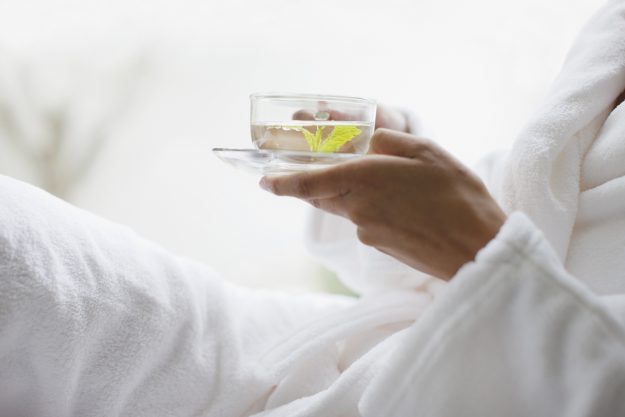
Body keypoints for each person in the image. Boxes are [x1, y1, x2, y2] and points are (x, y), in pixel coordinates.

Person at [1, 1, 625, 417]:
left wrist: (481, 255)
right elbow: (533, 218)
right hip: (319, 345)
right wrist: (397, 164)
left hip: (438, 387)